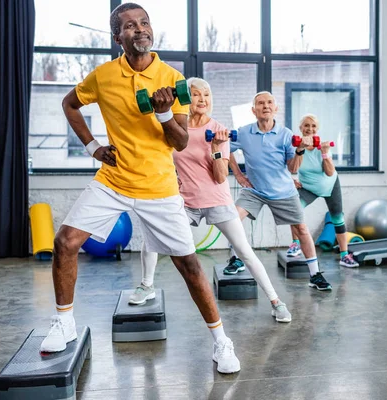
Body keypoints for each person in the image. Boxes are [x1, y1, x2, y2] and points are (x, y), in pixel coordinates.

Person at [39, 3, 240, 374]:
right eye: (130, 25)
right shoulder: (103, 77)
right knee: (65, 241)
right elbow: (69, 104)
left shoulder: (172, 78)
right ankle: (64, 322)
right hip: (113, 180)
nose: (140, 29)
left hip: (158, 186)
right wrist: (93, 148)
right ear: (119, 37)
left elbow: (179, 142)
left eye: (145, 23)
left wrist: (163, 113)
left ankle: (221, 341)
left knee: (189, 265)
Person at [133, 78, 291, 323]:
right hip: (185, 202)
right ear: (185, 98)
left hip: (217, 199)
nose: (202, 100)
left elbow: (219, 178)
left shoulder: (218, 128)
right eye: (196, 95)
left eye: (206, 95)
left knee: (245, 252)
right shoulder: (175, 128)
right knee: (151, 238)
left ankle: (275, 301)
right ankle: (146, 285)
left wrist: (217, 146)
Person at [227, 92, 332, 291]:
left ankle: (315, 275)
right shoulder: (244, 132)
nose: (265, 106)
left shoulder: (285, 135)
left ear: (276, 109)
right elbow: (225, 147)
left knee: (301, 229)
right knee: (232, 219)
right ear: (253, 110)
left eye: (269, 103)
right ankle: (236, 259)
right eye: (260, 103)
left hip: (283, 191)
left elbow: (292, 168)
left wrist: (300, 150)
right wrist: (239, 175)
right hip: (255, 190)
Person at [288, 114, 359, 268]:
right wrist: (290, 180)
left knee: (337, 219)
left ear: (317, 129)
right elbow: (290, 167)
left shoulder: (322, 146)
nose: (309, 129)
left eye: (313, 126)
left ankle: (344, 255)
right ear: (301, 128)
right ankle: (295, 244)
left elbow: (329, 173)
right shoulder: (296, 147)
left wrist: (325, 153)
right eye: (306, 125)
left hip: (330, 184)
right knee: (294, 210)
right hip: (307, 187)